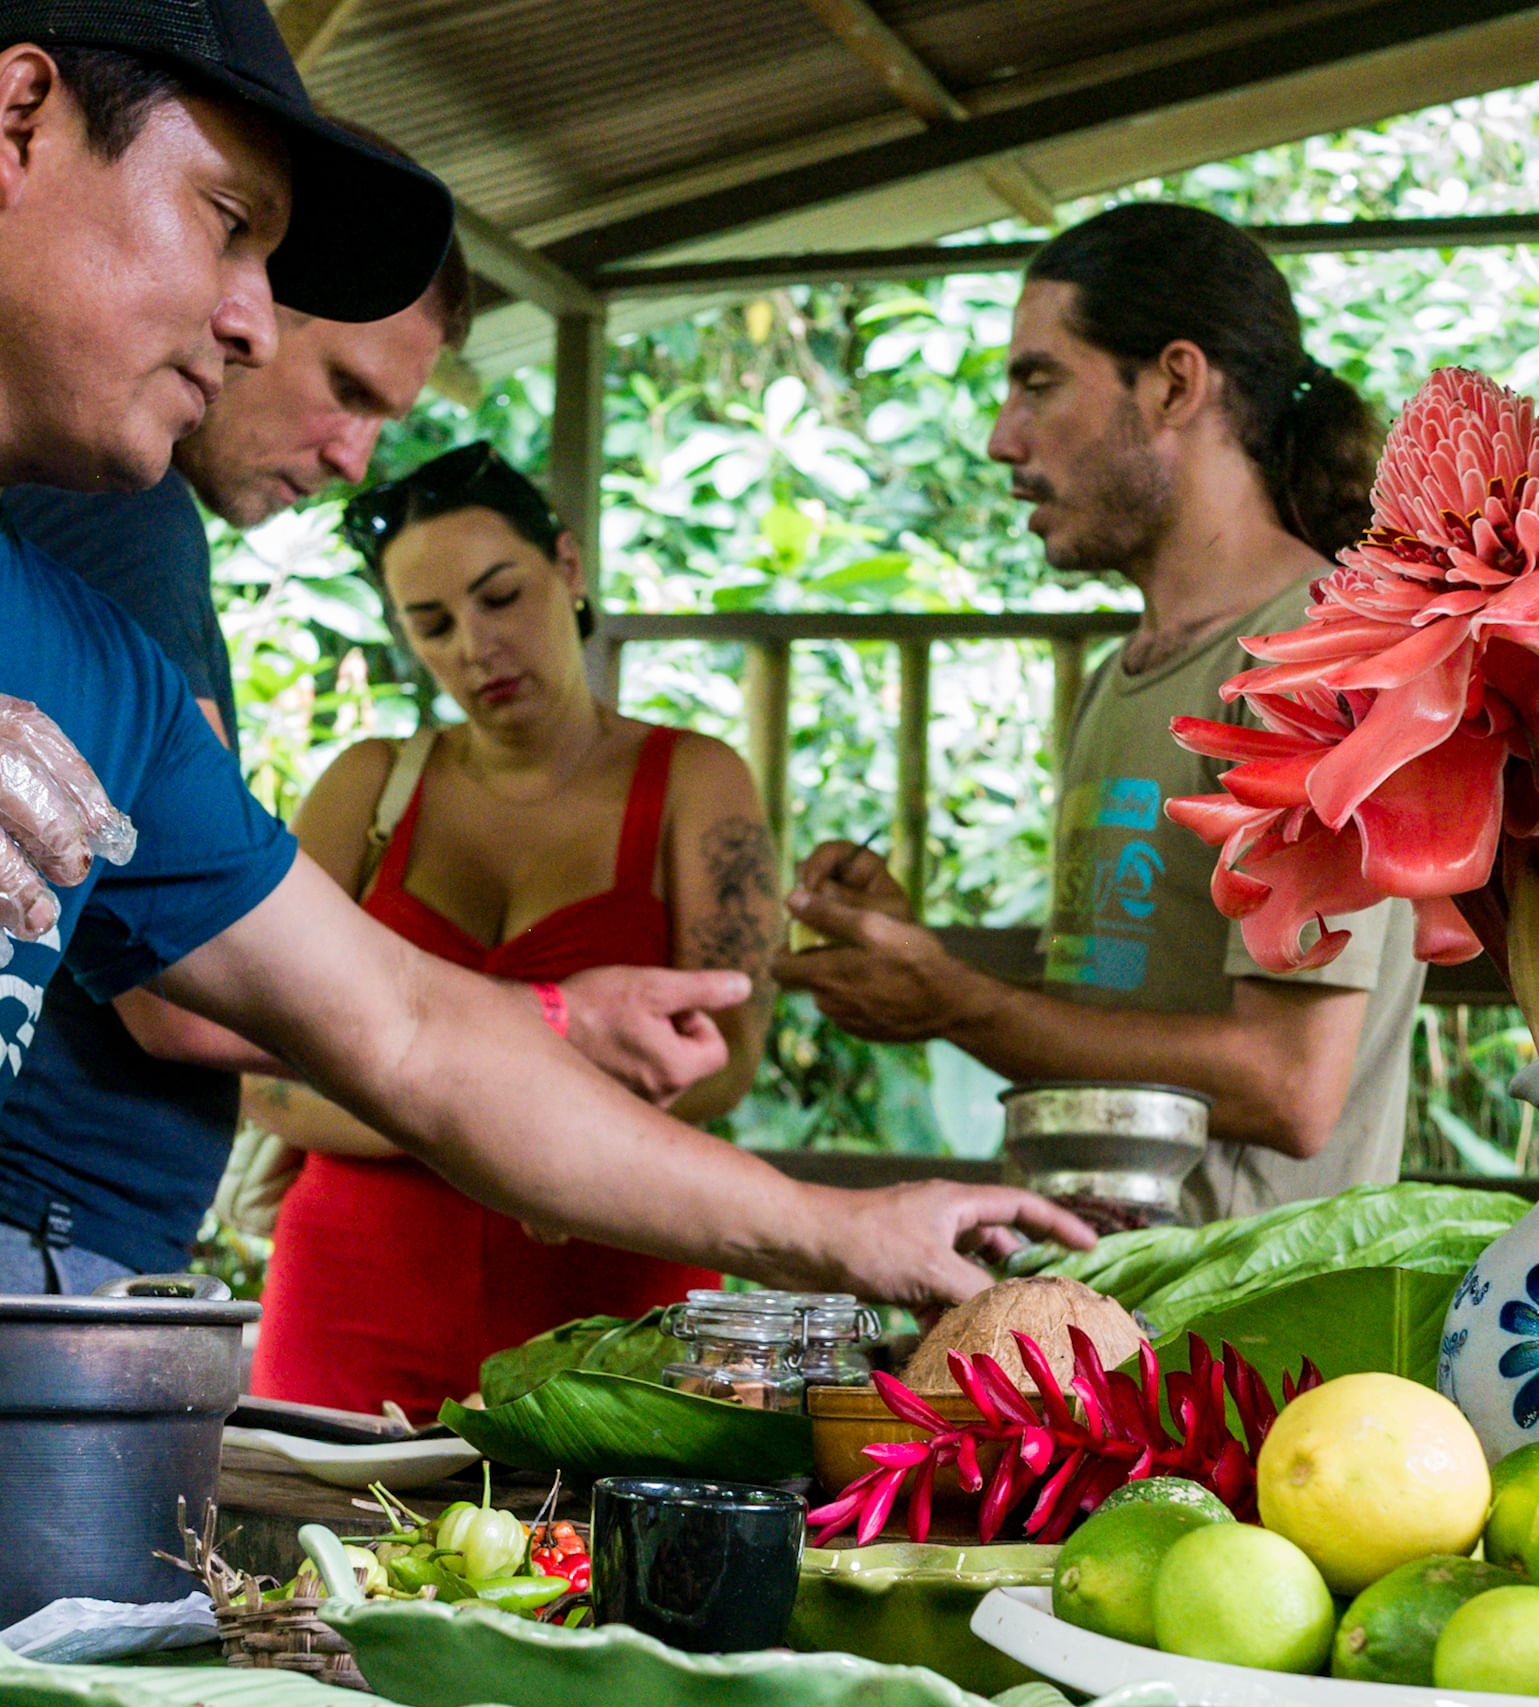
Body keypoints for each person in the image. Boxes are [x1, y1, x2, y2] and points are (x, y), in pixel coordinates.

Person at [0, 1, 1093, 1315]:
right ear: (19, 120)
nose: (251, 326)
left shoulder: (98, 672)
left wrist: (846, 1231)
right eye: (228, 222)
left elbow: (405, 1031)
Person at [778, 203, 1423, 1220]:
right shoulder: (1125, 671)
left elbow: (1289, 1084)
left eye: (1039, 382)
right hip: (1102, 1314)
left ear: (1174, 382)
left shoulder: (1318, 659)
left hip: (1249, 1352)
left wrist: (954, 1002)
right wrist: (927, 962)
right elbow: (1119, 995)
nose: (1001, 440)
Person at [245, 444, 778, 1417]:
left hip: (613, 1294)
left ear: (568, 567)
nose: (475, 646)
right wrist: (508, 1129)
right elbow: (269, 1074)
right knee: (313, 1565)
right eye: (433, 623)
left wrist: (486, 1119)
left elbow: (733, 1052)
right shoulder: (366, 786)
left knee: (612, 1564)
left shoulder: (696, 780)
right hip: (352, 1294)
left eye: (501, 596)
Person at [0, 237, 471, 1293]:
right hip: (42, 1222)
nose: (355, 455)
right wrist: (533, 1035)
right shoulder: (127, 504)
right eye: (346, 389)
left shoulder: (131, 569)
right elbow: (195, 990)